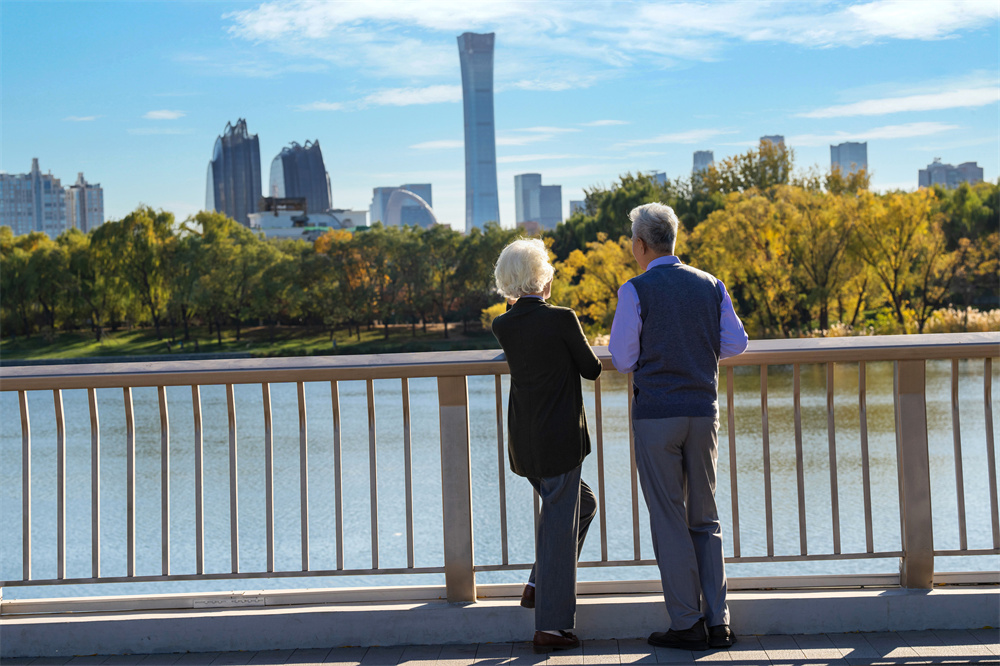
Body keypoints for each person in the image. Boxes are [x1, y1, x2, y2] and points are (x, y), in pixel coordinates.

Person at [609, 203, 748, 651]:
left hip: (656, 416)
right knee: (705, 518)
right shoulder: (711, 284)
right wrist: (696, 349)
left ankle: (687, 622)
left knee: (669, 518)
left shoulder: (635, 290)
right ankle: (718, 622)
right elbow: (736, 343)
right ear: (673, 240)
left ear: (640, 245)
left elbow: (623, 359)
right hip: (703, 412)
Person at [490, 238, 601, 654]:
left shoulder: (503, 326)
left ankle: (538, 584)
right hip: (560, 440)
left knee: (582, 506)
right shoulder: (562, 319)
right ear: (543, 278)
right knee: (559, 523)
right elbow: (591, 368)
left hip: (525, 442)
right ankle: (551, 628)